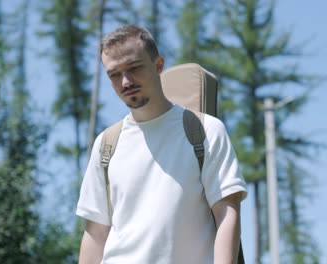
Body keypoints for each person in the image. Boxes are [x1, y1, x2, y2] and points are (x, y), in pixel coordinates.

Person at [76, 25, 247, 264]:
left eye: (134, 68)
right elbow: (95, 234)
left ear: (158, 65)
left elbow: (227, 215)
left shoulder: (205, 131)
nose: (125, 82)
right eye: (114, 74)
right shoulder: (106, 144)